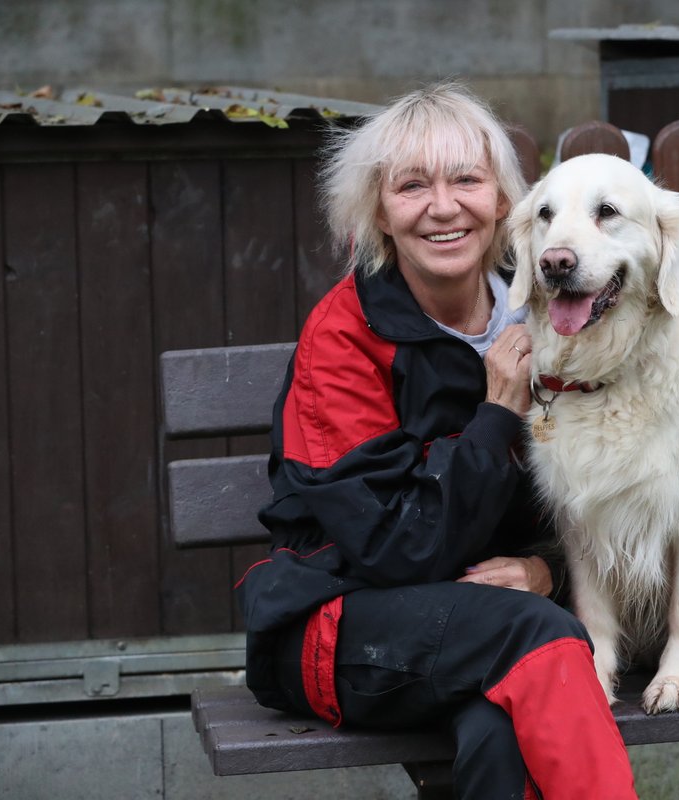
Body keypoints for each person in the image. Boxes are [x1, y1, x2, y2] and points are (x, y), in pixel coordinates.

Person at [236, 82, 638, 799]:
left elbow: (610, 483)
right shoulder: (343, 340)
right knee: (534, 639)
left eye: (466, 180)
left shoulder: (553, 305)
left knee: (498, 727)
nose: (444, 206)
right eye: (412, 186)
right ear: (379, 213)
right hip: (340, 622)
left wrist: (552, 571)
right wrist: (495, 416)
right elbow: (399, 548)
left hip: (493, 626)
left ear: (503, 201)